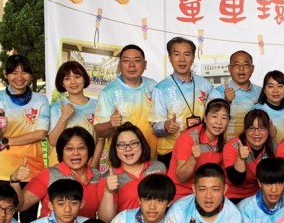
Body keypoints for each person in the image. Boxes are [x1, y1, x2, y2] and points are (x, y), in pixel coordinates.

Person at [0, 54, 49, 223]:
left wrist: (6, 141)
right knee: (3, 217)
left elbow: (41, 133)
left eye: (24, 72)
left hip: (30, 164)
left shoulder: (40, 99)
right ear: (6, 74)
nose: (19, 77)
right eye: (14, 72)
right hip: (1, 167)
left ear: (31, 75)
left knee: (28, 218)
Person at [12, 127, 102, 219]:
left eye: (81, 148)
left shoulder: (96, 175)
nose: (76, 153)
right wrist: (14, 181)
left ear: (89, 150)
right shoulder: (49, 174)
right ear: (61, 152)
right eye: (69, 148)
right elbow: (20, 206)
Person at [149, 37, 212, 167]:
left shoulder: (204, 84)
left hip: (200, 148)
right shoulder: (161, 88)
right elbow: (155, 126)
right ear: (170, 58)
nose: (182, 59)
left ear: (193, 58)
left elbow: (213, 113)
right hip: (171, 150)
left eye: (187, 54)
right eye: (177, 54)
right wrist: (165, 125)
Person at [95, 44, 158, 160]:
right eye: (126, 61)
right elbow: (98, 131)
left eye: (137, 60)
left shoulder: (153, 86)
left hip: (152, 157)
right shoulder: (108, 92)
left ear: (145, 65)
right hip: (123, 160)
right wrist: (111, 124)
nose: (131, 65)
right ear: (120, 65)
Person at [97, 123, 167, 223]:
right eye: (122, 145)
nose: (128, 148)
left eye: (133, 143)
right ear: (115, 149)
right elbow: (105, 221)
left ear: (142, 144)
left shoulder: (159, 168)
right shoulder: (107, 178)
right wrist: (108, 192)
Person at [168, 98, 230, 199]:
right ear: (205, 118)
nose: (219, 122)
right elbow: (181, 177)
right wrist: (193, 158)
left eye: (224, 118)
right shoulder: (188, 138)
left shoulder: (222, 140)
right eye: (214, 116)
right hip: (181, 194)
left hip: (205, 194)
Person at [49, 60, 103, 168]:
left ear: (84, 78)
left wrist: (93, 166)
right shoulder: (56, 107)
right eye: (67, 78)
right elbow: (53, 141)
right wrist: (64, 117)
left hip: (88, 165)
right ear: (62, 83)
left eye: (77, 77)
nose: (73, 82)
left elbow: (100, 139)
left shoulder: (97, 106)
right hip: (61, 167)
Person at [223, 109, 275, 204]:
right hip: (231, 195)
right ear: (245, 130)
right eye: (251, 128)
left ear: (268, 130)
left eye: (262, 128)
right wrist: (240, 158)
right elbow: (237, 180)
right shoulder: (232, 146)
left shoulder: (273, 148)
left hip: (257, 196)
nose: (256, 133)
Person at [209, 50, 262, 139]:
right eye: (237, 65)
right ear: (229, 68)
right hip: (226, 145)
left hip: (254, 144)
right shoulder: (217, 92)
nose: (241, 69)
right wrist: (226, 102)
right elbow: (210, 123)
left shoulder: (261, 92)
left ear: (252, 68)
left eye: (245, 65)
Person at [254, 69, 284, 146]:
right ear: (264, 90)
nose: (275, 90)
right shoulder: (257, 110)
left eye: (280, 86)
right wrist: (268, 134)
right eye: (271, 86)